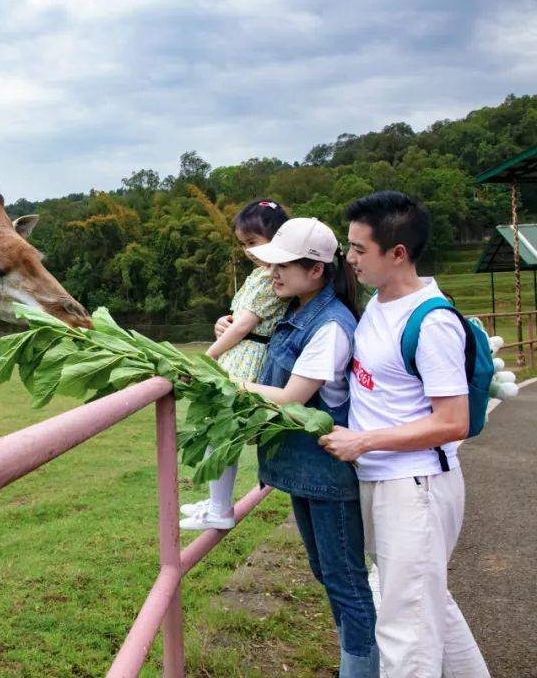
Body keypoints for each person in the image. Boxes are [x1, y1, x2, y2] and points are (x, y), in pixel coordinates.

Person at [320, 191, 490, 677]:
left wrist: (362, 441)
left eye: (358, 250)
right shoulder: (377, 304)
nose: (349, 260)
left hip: (415, 486)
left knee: (404, 630)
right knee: (427, 603)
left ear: (398, 254)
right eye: (347, 247)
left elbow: (452, 422)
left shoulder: (432, 321)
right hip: (385, 482)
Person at [238, 217, 379, 678]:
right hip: (305, 467)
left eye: (282, 266)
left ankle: (361, 668)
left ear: (315, 270)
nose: (272, 274)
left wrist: (227, 383)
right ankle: (356, 658)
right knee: (326, 572)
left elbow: (291, 398)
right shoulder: (299, 311)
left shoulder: (331, 325)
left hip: (326, 469)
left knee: (344, 580)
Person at [180, 200, 290, 530]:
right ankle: (217, 502)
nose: (249, 251)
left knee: (222, 434)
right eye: (244, 245)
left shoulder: (274, 278)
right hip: (238, 354)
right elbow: (236, 319)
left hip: (246, 361)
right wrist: (222, 321)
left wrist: (208, 356)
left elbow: (245, 326)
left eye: (254, 243)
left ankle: (220, 508)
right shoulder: (261, 275)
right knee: (218, 433)